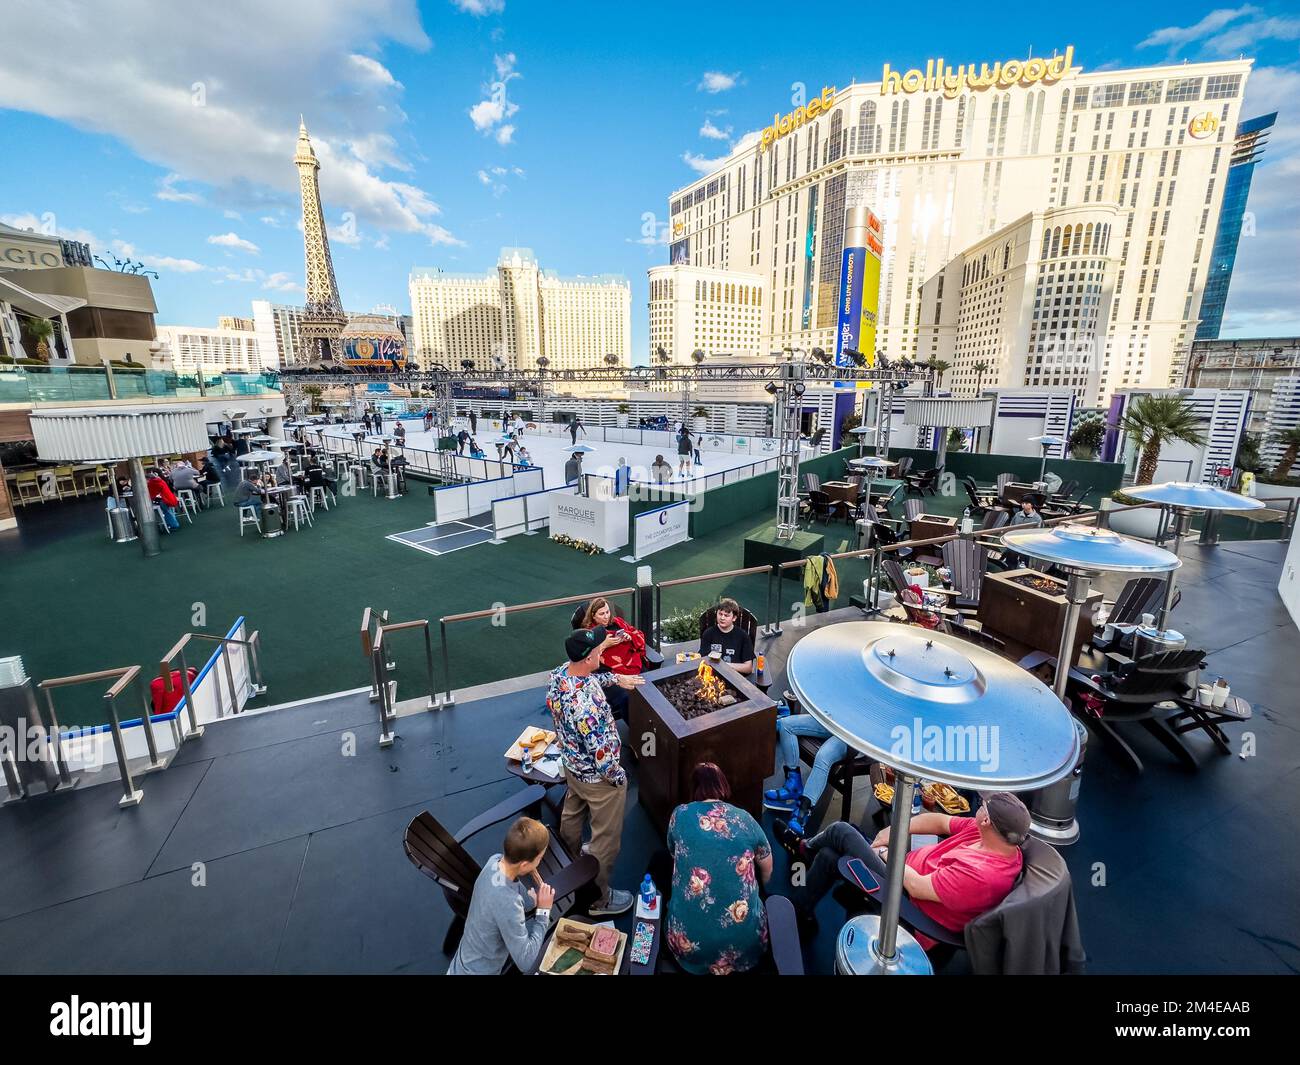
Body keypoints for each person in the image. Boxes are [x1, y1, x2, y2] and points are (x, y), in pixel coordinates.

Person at [781, 792, 1030, 948]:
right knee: (829, 855)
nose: (980, 806)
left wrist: (886, 853)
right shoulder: (991, 836)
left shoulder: (982, 876)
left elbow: (917, 887)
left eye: (983, 806)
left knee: (842, 831)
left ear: (987, 821)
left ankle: (803, 849)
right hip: (905, 872)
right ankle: (800, 910)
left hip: (909, 905)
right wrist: (896, 830)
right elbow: (940, 821)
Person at [546, 627, 643, 916]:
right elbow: (601, 755)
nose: (603, 650)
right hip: (598, 779)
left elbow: (587, 680)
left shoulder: (560, 674)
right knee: (605, 839)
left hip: (572, 767)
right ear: (588, 658)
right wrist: (618, 778)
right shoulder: (585, 707)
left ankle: (569, 859)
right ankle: (599, 898)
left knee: (572, 814)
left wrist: (615, 678)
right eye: (599, 650)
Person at [662, 763, 774, 975]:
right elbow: (767, 865)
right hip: (745, 947)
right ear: (722, 784)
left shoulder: (680, 815)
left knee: (658, 863)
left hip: (689, 946)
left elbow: (673, 854)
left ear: (694, 787)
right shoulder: (744, 819)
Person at [446, 816, 557, 975]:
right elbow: (526, 961)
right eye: (539, 858)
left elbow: (522, 900)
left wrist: (533, 900)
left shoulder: (494, 861)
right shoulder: (508, 903)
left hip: (462, 964)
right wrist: (543, 912)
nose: (539, 862)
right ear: (525, 864)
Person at [763, 711, 847, 838]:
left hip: (850, 735)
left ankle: (804, 810)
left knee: (823, 756)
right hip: (833, 719)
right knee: (785, 724)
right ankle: (793, 786)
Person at [698, 597, 754, 674]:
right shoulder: (708, 634)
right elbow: (703, 659)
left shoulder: (743, 636)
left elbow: (748, 668)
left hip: (735, 676)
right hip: (713, 676)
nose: (722, 618)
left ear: (734, 618)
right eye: (720, 614)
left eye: (726, 615)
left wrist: (725, 665)